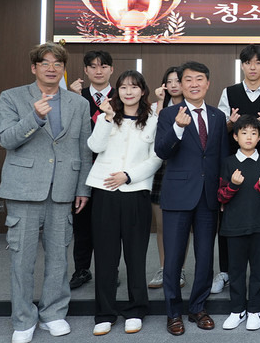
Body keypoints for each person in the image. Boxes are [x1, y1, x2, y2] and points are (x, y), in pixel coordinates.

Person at [0, 42, 92, 343]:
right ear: (34, 67)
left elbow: (83, 149)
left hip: (63, 188)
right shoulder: (12, 97)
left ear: (64, 69)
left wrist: (83, 188)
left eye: (58, 64)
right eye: (45, 63)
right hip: (24, 189)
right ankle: (23, 319)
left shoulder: (79, 103)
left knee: (59, 257)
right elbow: (6, 139)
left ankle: (53, 313)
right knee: (22, 259)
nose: (52, 69)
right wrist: (35, 117)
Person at [155, 60, 230, 335]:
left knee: (205, 256)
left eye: (199, 79)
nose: (194, 84)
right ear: (180, 84)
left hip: (209, 197)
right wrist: (177, 128)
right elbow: (161, 151)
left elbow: (221, 157)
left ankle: (198, 307)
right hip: (178, 196)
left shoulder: (218, 116)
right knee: (173, 258)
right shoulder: (168, 114)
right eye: (188, 79)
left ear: (208, 83)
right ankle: (173, 312)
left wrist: (224, 193)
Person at [86, 70, 162, 336]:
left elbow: (156, 158)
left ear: (143, 91)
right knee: (105, 256)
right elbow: (94, 146)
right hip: (104, 191)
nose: (128, 92)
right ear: (117, 91)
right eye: (123, 87)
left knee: (135, 255)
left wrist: (128, 176)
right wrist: (106, 118)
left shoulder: (153, 119)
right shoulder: (106, 116)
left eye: (134, 87)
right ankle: (105, 313)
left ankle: (136, 310)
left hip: (136, 191)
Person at [213, 45, 260, 294]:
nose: (253, 67)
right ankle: (226, 271)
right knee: (228, 214)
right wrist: (231, 123)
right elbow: (220, 129)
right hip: (234, 161)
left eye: (258, 63)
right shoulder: (229, 92)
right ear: (241, 65)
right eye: (248, 63)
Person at [217, 115, 260, 332]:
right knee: (236, 270)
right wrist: (233, 184)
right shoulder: (228, 163)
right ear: (235, 136)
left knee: (258, 269)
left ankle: (255, 310)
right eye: (244, 133)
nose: (248, 137)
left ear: (259, 137)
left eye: (253, 133)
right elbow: (221, 197)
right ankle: (237, 310)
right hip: (234, 225)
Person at [67, 50, 114, 290]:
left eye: (103, 66)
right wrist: (71, 99)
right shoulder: (76, 96)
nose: (98, 70)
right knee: (82, 223)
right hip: (83, 168)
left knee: (110, 226)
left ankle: (110, 271)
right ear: (85, 70)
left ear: (111, 70)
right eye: (93, 66)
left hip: (111, 170)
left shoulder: (122, 96)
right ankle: (81, 270)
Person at [148, 67, 189, 290]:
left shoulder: (193, 107)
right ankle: (164, 268)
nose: (173, 85)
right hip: (160, 168)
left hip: (184, 168)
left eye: (177, 81)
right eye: (169, 81)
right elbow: (152, 136)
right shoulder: (156, 107)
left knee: (182, 225)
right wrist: (159, 104)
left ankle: (179, 269)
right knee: (162, 225)